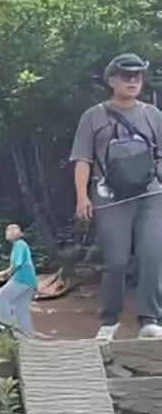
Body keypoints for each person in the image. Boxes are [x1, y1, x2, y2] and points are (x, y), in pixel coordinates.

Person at [70, 52, 162, 342]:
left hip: (150, 193)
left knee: (152, 256)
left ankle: (150, 318)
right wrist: (82, 197)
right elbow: (82, 159)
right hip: (109, 196)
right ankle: (110, 320)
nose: (132, 81)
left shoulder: (152, 114)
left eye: (137, 76)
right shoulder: (93, 116)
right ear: (111, 80)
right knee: (117, 260)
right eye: (126, 76)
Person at [0, 222, 38, 337]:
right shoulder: (21, 245)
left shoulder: (19, 245)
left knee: (0, 297)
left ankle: (7, 327)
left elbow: (17, 264)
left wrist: (5, 273)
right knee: (20, 309)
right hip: (30, 281)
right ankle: (29, 335)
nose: (7, 233)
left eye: (10, 230)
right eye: (7, 230)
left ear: (16, 233)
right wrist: (8, 274)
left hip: (22, 279)